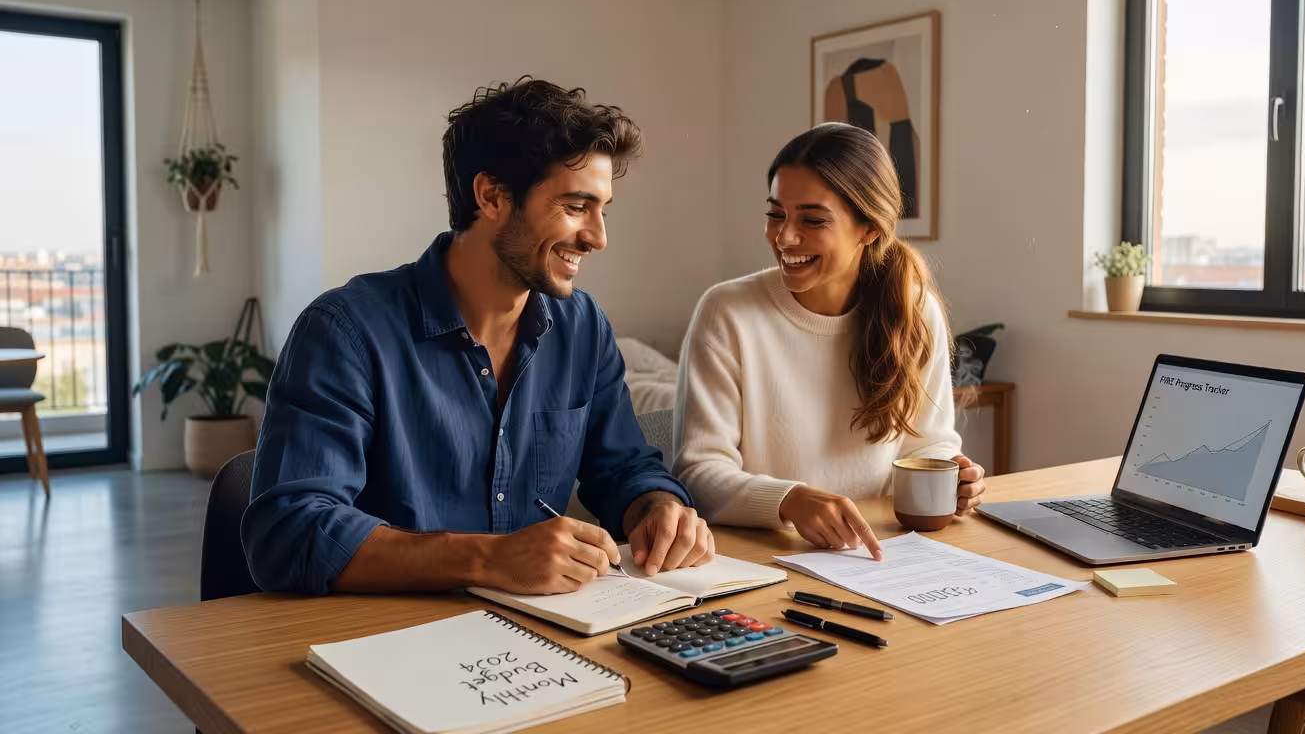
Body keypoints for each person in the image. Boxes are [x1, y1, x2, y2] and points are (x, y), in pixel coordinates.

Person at [243, 79, 714, 596]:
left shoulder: (583, 327)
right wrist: (489, 558)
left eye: (603, 210)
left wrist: (659, 508)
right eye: (577, 207)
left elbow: (625, 466)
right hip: (387, 642)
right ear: (491, 196)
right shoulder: (344, 332)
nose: (599, 237)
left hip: (544, 640)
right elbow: (289, 532)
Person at [673, 122, 986, 560]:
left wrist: (950, 478)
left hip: (878, 558)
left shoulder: (916, 312)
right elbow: (697, 474)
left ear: (869, 230)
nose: (784, 237)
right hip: (760, 560)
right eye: (775, 213)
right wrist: (790, 499)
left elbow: (927, 444)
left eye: (812, 220)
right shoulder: (727, 312)